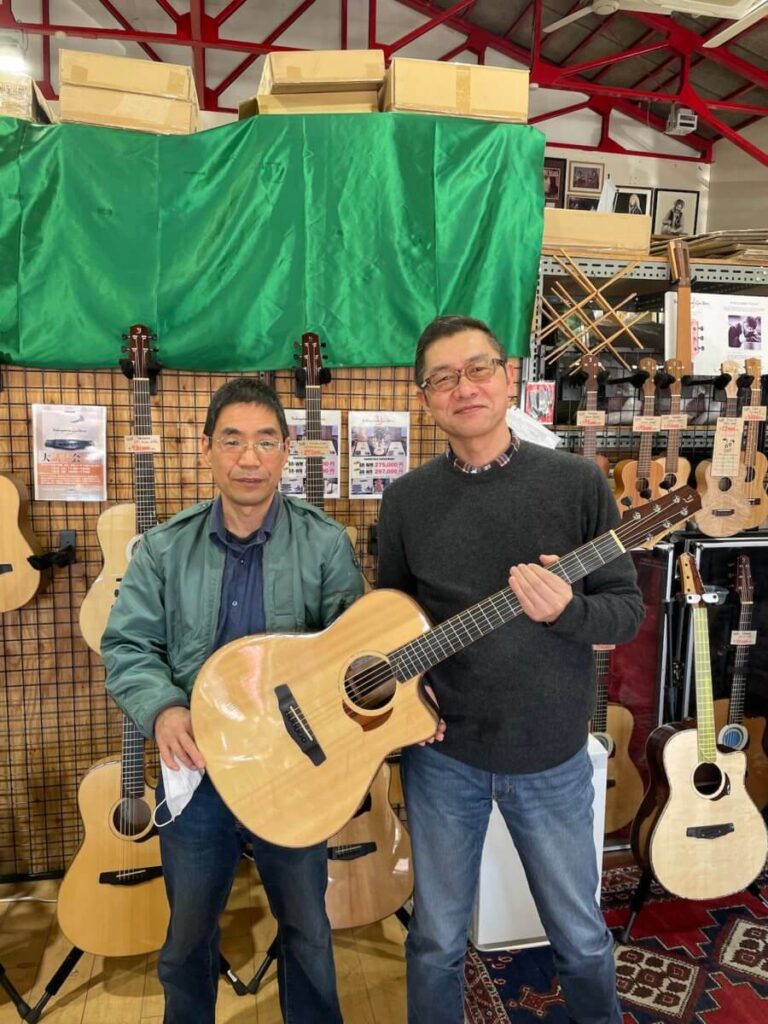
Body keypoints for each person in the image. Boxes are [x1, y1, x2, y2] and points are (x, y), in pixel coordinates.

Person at [377, 315, 645, 1024]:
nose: (464, 388)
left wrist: (567, 611)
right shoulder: (405, 501)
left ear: (508, 377)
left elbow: (625, 612)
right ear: (425, 400)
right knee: (434, 941)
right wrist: (412, 701)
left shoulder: (577, 483)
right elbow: (389, 624)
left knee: (580, 938)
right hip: (443, 759)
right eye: (443, 378)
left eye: (479, 368)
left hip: (550, 756)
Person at [101, 377, 364, 1024]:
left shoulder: (326, 544)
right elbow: (127, 644)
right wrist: (164, 708)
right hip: (199, 771)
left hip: (295, 770)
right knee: (188, 933)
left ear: (287, 451)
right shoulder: (163, 548)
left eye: (266, 442)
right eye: (233, 441)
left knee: (307, 927)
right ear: (206, 449)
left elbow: (354, 658)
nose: (250, 458)